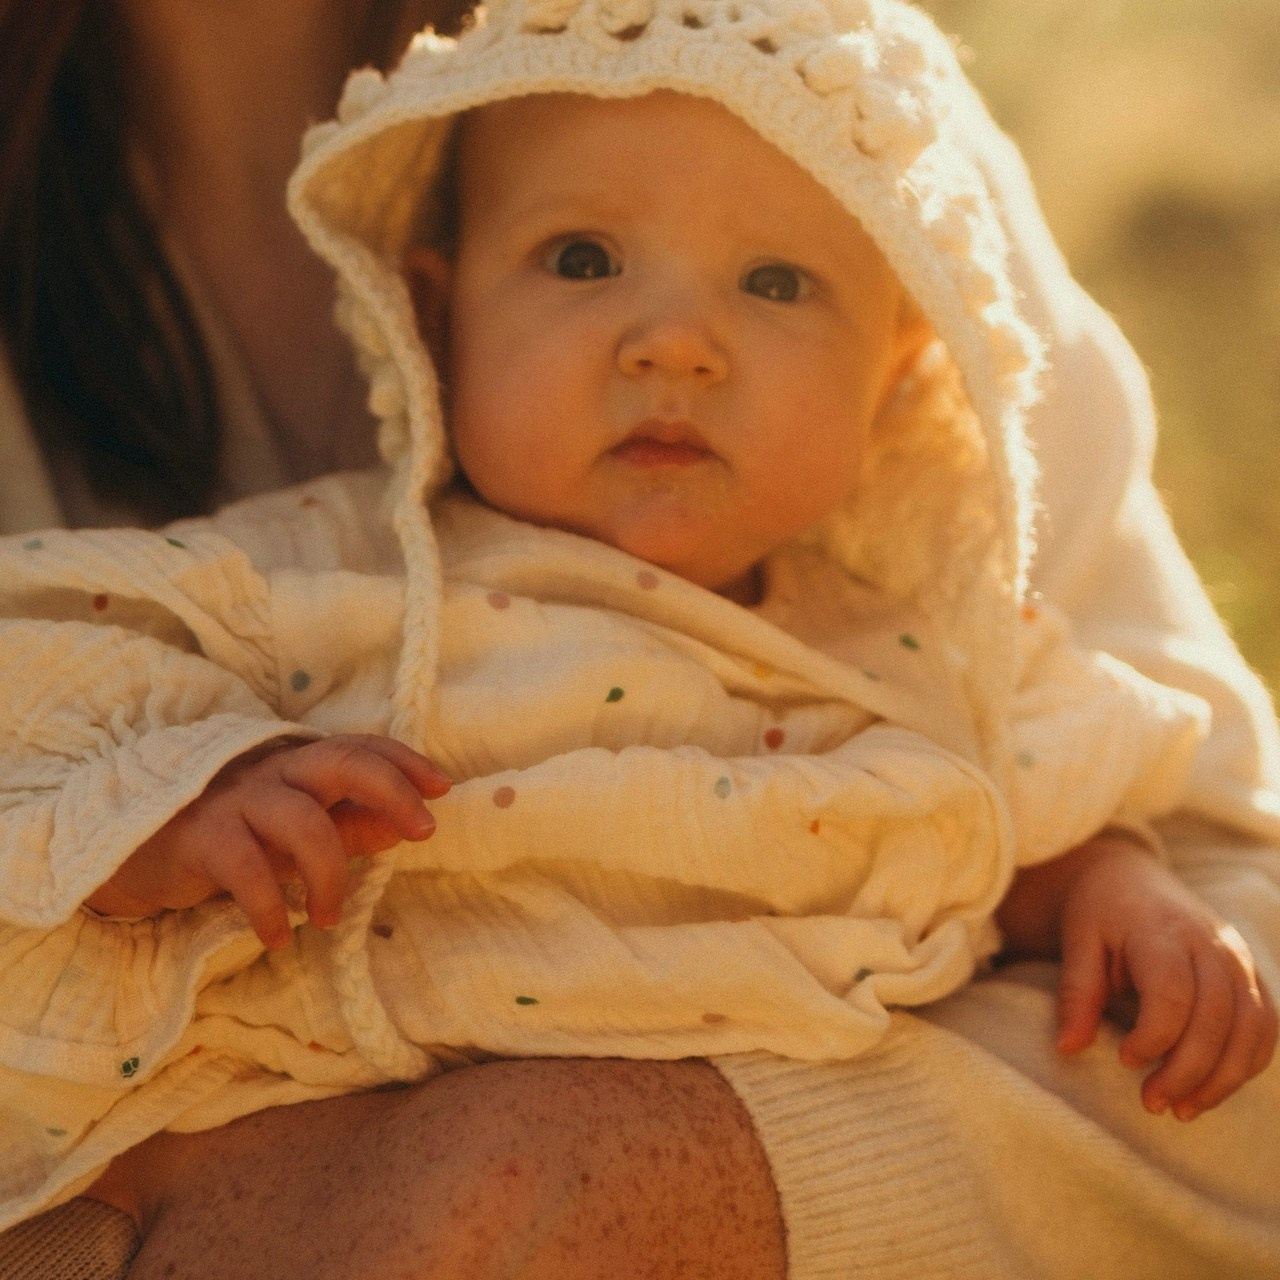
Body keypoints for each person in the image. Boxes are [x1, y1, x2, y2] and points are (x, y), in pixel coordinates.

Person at [0, 3, 1277, 1280]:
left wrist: (1115, 889)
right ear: (431, 316)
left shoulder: (922, 646)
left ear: (898, 371)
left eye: (774, 283)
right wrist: (167, 806)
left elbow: (1026, 815)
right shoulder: (337, 573)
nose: (674, 342)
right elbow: (53, 677)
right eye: (581, 258)